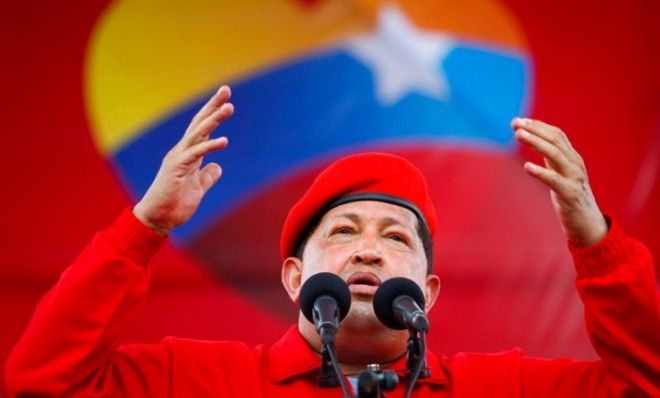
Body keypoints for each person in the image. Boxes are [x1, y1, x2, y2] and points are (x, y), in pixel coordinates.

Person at [5, 86, 659, 397]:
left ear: (428, 289)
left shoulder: (502, 387)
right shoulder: (198, 379)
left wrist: (596, 243)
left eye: (395, 236)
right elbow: (41, 382)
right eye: (343, 232)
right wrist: (145, 228)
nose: (369, 250)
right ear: (295, 278)